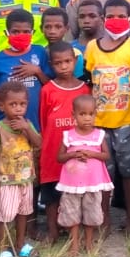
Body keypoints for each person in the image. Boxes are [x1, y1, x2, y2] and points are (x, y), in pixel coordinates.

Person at [84, 0, 130, 233]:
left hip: (128, 122)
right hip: (99, 124)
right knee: (103, 172)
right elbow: (89, 84)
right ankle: (102, 217)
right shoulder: (92, 48)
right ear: (102, 19)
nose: (116, 20)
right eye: (111, 16)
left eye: (122, 16)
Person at [37, 41, 90, 244]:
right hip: (52, 152)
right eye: (58, 63)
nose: (64, 66)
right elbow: (43, 121)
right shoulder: (48, 90)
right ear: (51, 65)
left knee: (77, 192)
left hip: (77, 152)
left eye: (68, 61)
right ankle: (52, 231)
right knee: (51, 194)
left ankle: (74, 229)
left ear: (75, 61)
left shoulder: (84, 89)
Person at [0, 81, 40, 257]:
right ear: (2, 106)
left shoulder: (28, 124)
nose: (18, 109)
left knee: (24, 212)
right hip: (6, 181)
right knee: (4, 215)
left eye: (22, 104)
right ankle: (2, 249)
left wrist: (26, 129)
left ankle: (20, 244)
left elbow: (39, 143)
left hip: (25, 180)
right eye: (13, 104)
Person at [57, 94, 112, 255]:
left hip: (92, 183)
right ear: (73, 115)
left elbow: (106, 156)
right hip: (72, 184)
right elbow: (59, 157)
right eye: (82, 114)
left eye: (91, 114)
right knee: (71, 213)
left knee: (91, 213)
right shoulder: (68, 136)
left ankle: (88, 243)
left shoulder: (99, 135)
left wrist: (90, 154)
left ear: (95, 114)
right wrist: (73, 155)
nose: (87, 118)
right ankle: (74, 245)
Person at [0, 10, 52, 129]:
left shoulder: (40, 52)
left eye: (26, 32)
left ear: (33, 32)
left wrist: (37, 71)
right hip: (6, 125)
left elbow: (50, 84)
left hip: (35, 122)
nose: (21, 35)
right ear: (6, 33)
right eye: (15, 32)